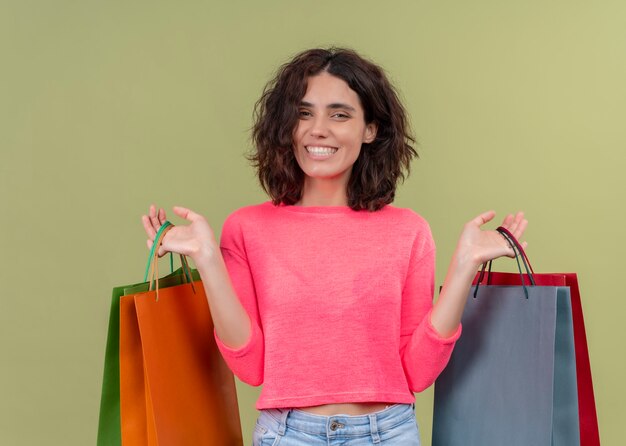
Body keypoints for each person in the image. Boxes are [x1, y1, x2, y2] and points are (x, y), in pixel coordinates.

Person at [141, 48, 527, 445]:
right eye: (304, 113)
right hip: (288, 435)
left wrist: (464, 265)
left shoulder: (408, 231)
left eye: (339, 114)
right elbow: (251, 366)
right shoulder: (246, 228)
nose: (318, 129)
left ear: (370, 128)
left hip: (388, 433)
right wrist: (207, 259)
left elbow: (417, 372)